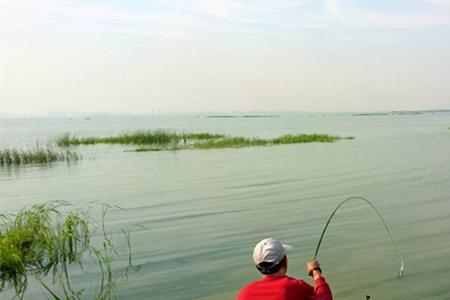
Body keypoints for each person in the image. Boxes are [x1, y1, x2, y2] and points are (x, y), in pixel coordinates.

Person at [237, 238, 333, 300]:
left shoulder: (243, 294)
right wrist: (316, 272)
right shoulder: (296, 287)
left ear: (257, 266)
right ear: (285, 262)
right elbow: (325, 298)